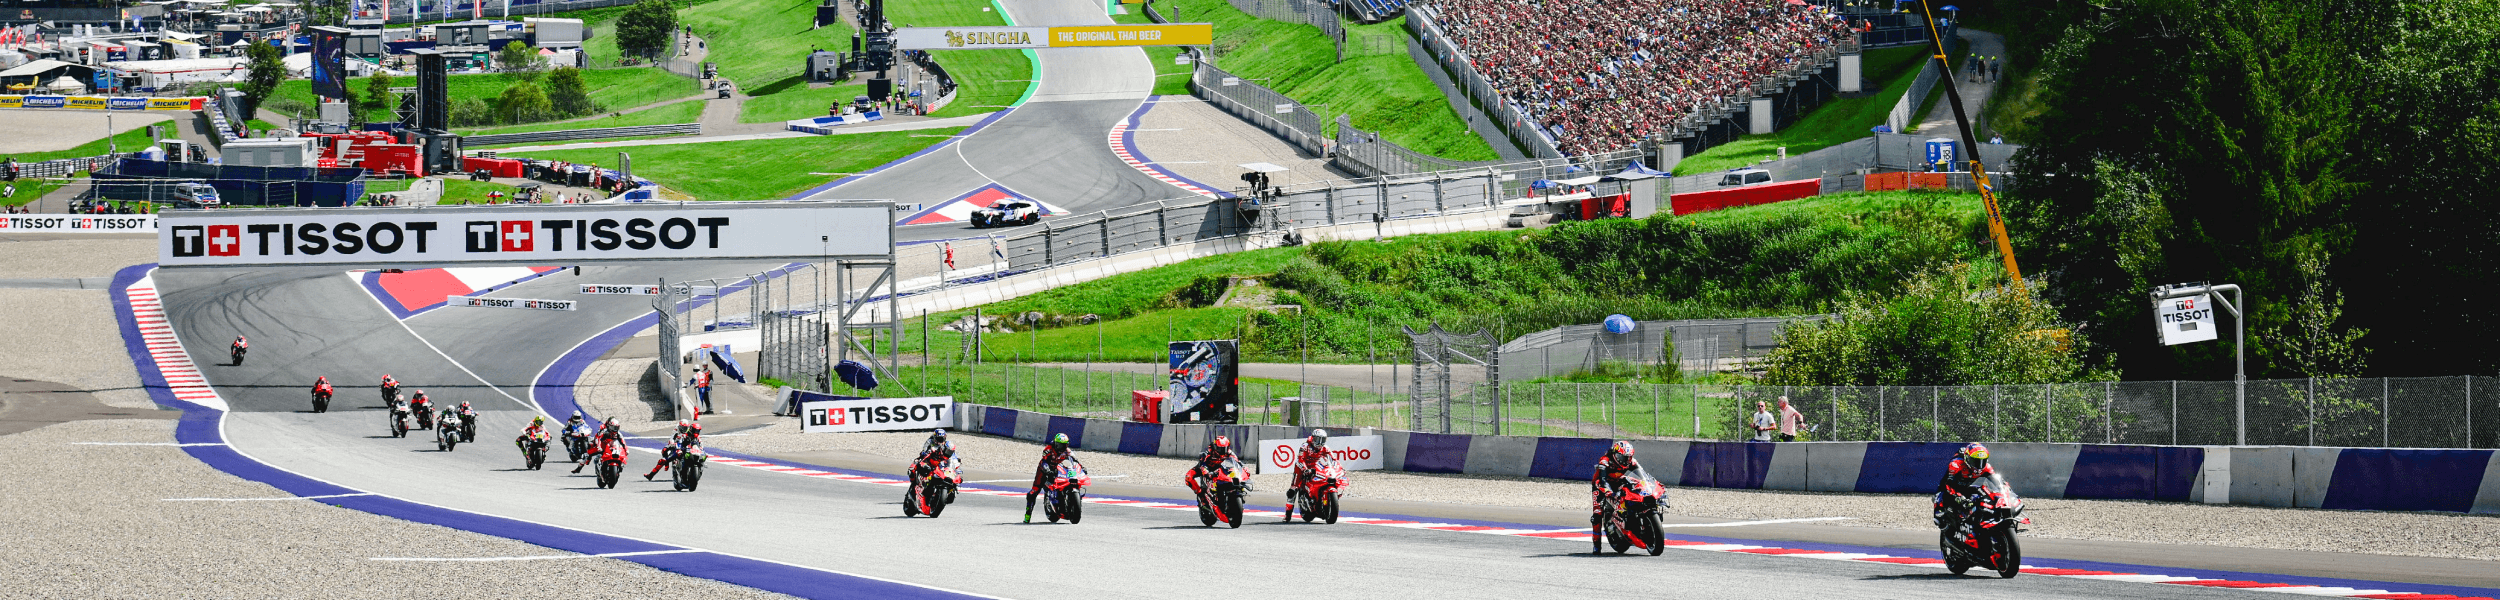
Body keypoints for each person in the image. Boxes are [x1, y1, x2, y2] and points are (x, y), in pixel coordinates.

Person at [1588, 440, 1646, 554]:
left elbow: (1642, 475)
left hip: (1618, 481)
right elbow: (1602, 480)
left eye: (1628, 457)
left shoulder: (1631, 462)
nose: (1625, 460)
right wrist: (1609, 492)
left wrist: (1646, 485)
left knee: (1635, 490)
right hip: (1601, 485)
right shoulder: (1605, 461)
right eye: (1622, 457)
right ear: (1615, 454)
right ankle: (1596, 546)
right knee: (1597, 515)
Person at [1933, 443, 1996, 529]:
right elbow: (1948, 484)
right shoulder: (1956, 464)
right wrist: (1959, 497)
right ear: (1967, 458)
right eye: (1975, 461)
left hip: (1966, 487)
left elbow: (1997, 481)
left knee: (1982, 493)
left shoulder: (1986, 467)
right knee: (1939, 514)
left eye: (1983, 461)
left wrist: (2005, 490)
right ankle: (1940, 513)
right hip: (1950, 488)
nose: (1979, 465)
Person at [1022, 433, 1078, 523]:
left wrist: (1081, 467)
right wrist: (1047, 471)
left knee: (1071, 479)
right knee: (1033, 492)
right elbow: (1044, 462)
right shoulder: (1048, 450)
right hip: (1044, 470)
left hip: (1058, 470)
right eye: (1060, 445)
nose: (1062, 447)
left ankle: (1068, 499)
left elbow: (1074, 461)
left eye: (1065, 445)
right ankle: (1027, 515)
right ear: (1055, 444)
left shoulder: (1068, 451)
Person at [1282, 429, 1333, 521]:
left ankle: (1319, 499)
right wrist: (1305, 470)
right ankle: (1287, 515)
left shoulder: (1325, 447)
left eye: (1322, 440)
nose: (1320, 442)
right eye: (1317, 439)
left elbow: (1333, 459)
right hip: (1301, 466)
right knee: (1293, 490)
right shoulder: (1305, 446)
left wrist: (1338, 468)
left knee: (1325, 478)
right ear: (1313, 438)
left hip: (1314, 466)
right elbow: (1300, 459)